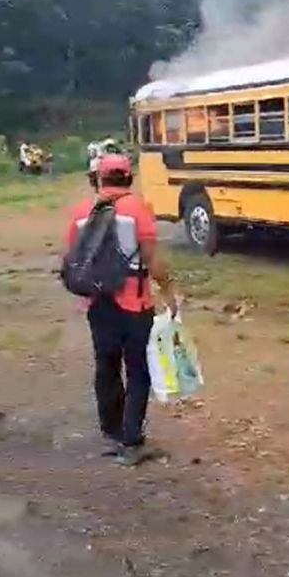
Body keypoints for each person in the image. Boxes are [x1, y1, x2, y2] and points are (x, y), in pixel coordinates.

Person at [63, 154, 176, 466]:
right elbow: (152, 260)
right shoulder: (138, 209)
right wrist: (168, 289)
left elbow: (73, 256)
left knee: (106, 365)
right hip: (134, 303)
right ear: (128, 178)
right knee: (139, 370)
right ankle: (131, 440)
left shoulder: (82, 212)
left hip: (98, 303)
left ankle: (111, 431)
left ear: (99, 179)